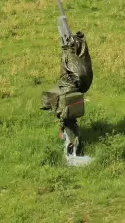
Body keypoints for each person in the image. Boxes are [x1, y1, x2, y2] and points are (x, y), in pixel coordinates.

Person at [41, 31, 92, 160]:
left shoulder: (69, 56)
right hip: (67, 92)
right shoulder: (69, 55)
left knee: (68, 121)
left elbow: (80, 73)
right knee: (66, 120)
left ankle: (72, 152)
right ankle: (66, 142)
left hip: (69, 93)